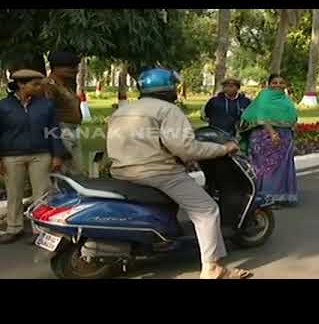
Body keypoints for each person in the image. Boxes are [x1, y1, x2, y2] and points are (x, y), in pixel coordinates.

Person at [106, 67, 252, 279]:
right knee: (207, 209)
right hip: (158, 173)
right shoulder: (167, 110)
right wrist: (224, 148)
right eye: (174, 85)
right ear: (166, 87)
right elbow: (186, 149)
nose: (176, 89)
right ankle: (212, 268)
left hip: (122, 171)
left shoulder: (123, 110)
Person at [0, 70, 65, 244]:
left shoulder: (46, 105)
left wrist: (57, 155)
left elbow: (54, 131)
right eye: (35, 84)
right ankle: (14, 228)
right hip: (11, 156)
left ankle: (41, 230)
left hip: (41, 155)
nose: (39, 88)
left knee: (42, 194)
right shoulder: (3, 106)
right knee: (14, 193)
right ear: (21, 84)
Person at [239, 74, 299, 208]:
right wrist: (272, 133)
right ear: (268, 84)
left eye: (281, 83)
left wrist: (293, 128)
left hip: (284, 136)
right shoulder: (264, 97)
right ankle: (266, 198)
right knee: (268, 167)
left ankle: (280, 197)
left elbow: (292, 116)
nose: (278, 85)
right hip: (265, 136)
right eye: (274, 83)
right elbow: (261, 116)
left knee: (282, 167)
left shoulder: (285, 99)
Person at [43, 51, 83, 175]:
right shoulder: (49, 86)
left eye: (75, 67)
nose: (75, 70)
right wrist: (57, 147)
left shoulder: (65, 85)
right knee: (64, 174)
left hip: (72, 130)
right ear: (55, 68)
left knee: (77, 172)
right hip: (60, 130)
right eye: (70, 67)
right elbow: (47, 116)